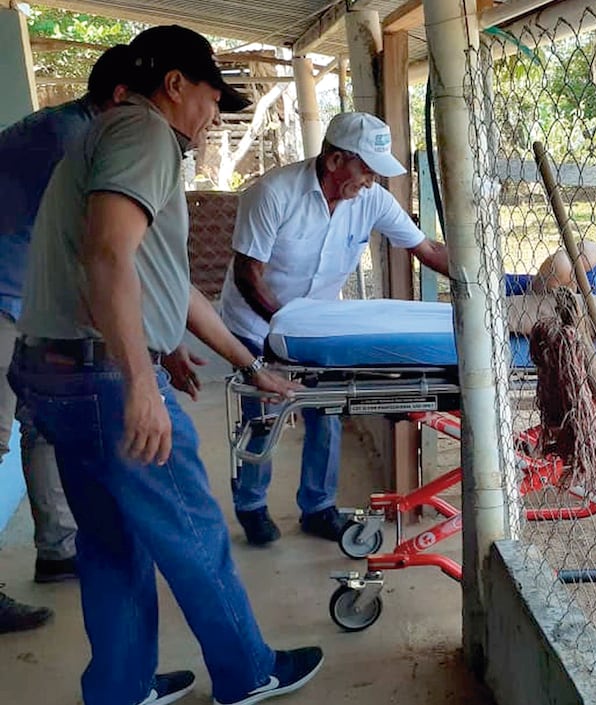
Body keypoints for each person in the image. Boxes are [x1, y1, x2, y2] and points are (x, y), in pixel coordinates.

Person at [10, 25, 322, 705]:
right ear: (175, 85)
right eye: (212, 99)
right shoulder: (146, 134)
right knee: (190, 526)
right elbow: (109, 257)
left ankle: (120, 687)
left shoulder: (105, 135)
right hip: (101, 377)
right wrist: (138, 379)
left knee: (112, 538)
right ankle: (248, 670)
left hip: (54, 372)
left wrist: (244, 360)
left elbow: (162, 281)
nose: (213, 118)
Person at [219, 111, 450, 545]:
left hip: (316, 327)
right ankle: (251, 503)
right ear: (334, 161)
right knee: (264, 413)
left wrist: (485, 282)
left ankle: (318, 506)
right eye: (365, 170)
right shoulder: (272, 193)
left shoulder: (371, 200)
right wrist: (282, 330)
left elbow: (427, 248)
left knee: (325, 412)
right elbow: (249, 274)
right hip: (255, 320)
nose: (370, 182)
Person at [0, 45, 133, 592]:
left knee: (42, 425)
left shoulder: (68, 127)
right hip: (3, 299)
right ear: (121, 97)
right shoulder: (71, 139)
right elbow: (98, 248)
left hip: (25, 302)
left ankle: (57, 548)